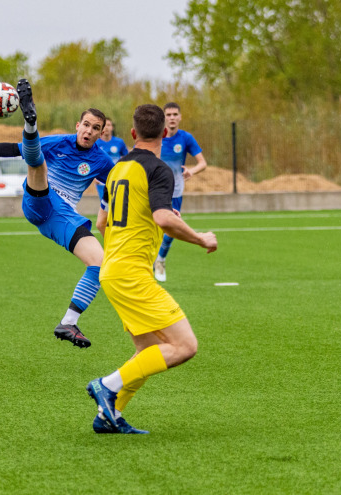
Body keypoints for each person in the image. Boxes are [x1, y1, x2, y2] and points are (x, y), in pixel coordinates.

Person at [0, 79, 115, 348]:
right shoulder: (59, 143)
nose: (89, 131)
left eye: (95, 128)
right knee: (37, 160)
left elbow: (120, 183)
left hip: (60, 219)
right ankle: (30, 122)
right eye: (86, 125)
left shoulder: (101, 160)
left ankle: (68, 323)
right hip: (38, 200)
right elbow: (15, 149)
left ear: (101, 134)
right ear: (78, 126)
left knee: (100, 263)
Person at [87, 104, 217, 434]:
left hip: (111, 270)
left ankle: (108, 416)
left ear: (132, 134)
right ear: (164, 134)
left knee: (148, 351)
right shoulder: (159, 170)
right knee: (185, 346)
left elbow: (101, 222)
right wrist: (201, 238)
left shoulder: (116, 170)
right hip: (131, 273)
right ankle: (107, 385)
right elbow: (162, 217)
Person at [153, 102, 208, 282]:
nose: (172, 118)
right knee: (151, 226)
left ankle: (160, 259)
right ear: (164, 118)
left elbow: (202, 163)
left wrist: (191, 171)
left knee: (172, 228)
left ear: (180, 117)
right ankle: (147, 261)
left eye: (175, 114)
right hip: (154, 189)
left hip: (175, 190)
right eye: (168, 115)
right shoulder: (155, 137)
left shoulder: (186, 138)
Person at [94, 117, 129, 200]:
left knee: (116, 202)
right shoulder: (96, 143)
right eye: (104, 125)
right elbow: (92, 160)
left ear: (112, 127)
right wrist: (94, 177)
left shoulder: (119, 142)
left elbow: (126, 159)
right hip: (101, 179)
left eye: (109, 125)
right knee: (104, 204)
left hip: (117, 178)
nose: (106, 127)